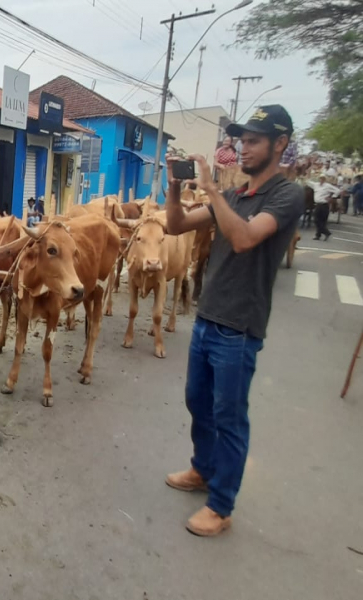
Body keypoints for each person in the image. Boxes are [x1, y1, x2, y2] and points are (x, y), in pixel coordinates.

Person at [163, 105, 304, 537]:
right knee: (197, 403)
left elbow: (243, 238)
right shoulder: (239, 196)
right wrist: (175, 188)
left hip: (238, 328)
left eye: (254, 140)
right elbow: (176, 225)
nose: (244, 148)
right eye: (241, 140)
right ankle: (202, 469)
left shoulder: (286, 195)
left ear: (280, 144)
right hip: (207, 320)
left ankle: (221, 505)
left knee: (229, 417)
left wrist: (212, 191)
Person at [313, 175, 340, 240]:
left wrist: (332, 197)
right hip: (318, 204)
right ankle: (321, 234)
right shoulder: (316, 185)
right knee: (316, 220)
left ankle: (322, 234)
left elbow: (337, 191)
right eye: (320, 178)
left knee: (322, 221)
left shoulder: (327, 186)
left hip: (324, 205)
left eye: (322, 179)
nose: (321, 180)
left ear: (324, 180)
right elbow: (307, 182)